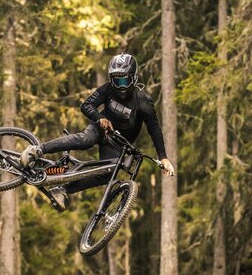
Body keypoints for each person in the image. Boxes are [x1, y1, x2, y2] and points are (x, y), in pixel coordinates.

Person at [21, 52, 176, 210]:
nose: (121, 86)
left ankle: (62, 190)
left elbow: (154, 129)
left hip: (117, 143)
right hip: (100, 129)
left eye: (125, 80)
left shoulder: (144, 102)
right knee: (85, 140)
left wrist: (163, 158)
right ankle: (39, 150)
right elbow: (86, 105)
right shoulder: (108, 89)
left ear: (134, 78)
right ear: (111, 79)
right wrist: (100, 117)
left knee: (107, 174)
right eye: (117, 80)